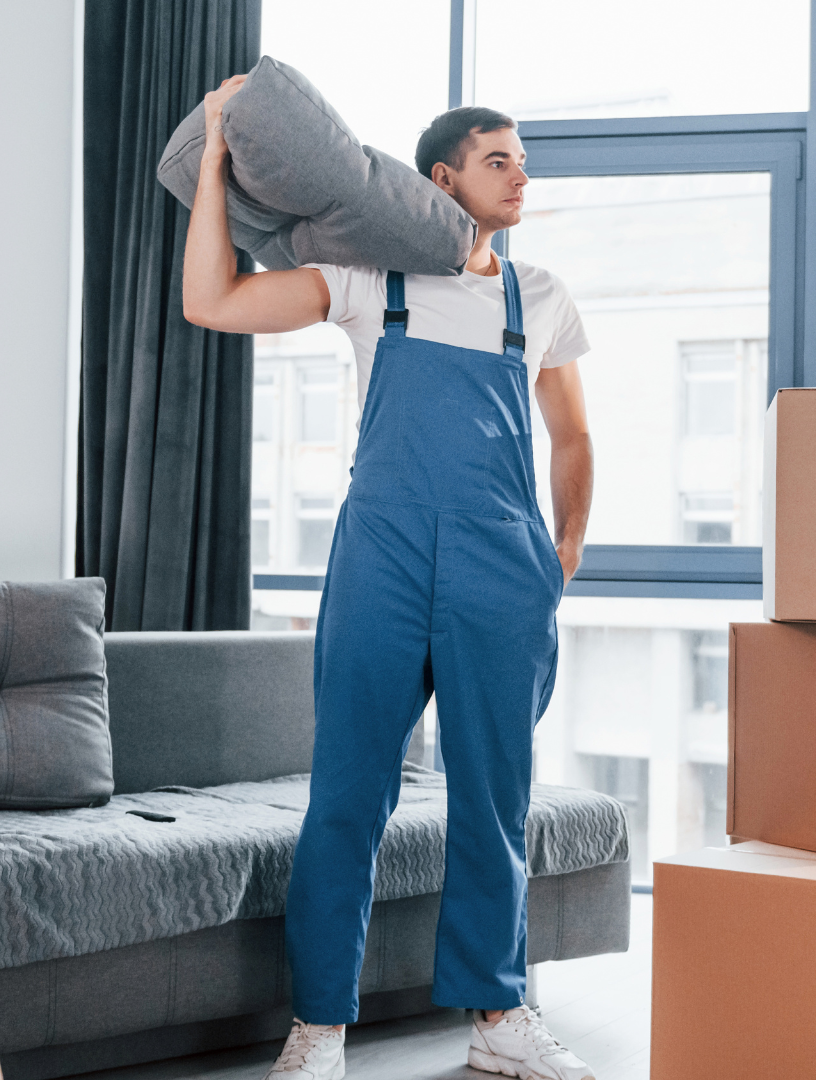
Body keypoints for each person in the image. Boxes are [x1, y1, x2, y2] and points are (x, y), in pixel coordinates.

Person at [183, 76, 599, 1080]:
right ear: (438, 179)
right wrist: (209, 164)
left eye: (524, 161)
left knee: (495, 796)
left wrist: (563, 549)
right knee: (348, 792)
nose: (520, 176)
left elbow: (575, 435)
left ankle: (499, 1022)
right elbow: (213, 300)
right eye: (499, 159)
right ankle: (319, 1027)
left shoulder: (536, 295)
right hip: (385, 551)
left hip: (503, 560)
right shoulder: (371, 280)